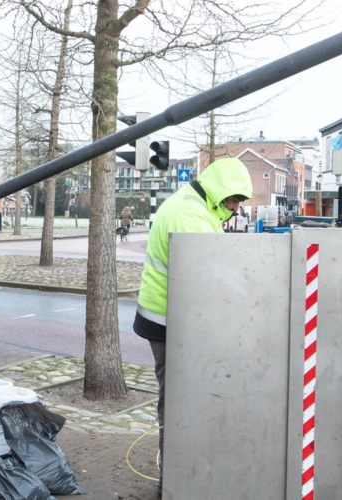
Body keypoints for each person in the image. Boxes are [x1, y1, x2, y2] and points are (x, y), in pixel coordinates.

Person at [132, 158, 252, 495]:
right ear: (221, 193)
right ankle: (174, 483)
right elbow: (209, 278)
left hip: (170, 319)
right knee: (178, 403)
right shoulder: (191, 216)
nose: (235, 209)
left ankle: (181, 478)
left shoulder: (192, 204)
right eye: (233, 201)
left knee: (179, 400)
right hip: (172, 323)